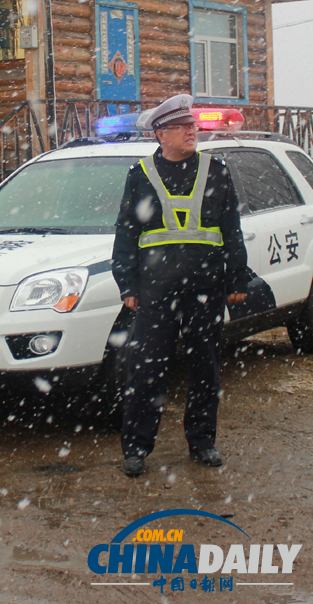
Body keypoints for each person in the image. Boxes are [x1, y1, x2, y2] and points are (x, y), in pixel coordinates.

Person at [112, 94, 250, 477]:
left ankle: (203, 442)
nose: (192, 131)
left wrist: (238, 277)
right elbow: (126, 232)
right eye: (182, 127)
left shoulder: (216, 169)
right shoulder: (140, 173)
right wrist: (128, 284)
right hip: (156, 290)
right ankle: (137, 448)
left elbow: (231, 228)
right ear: (161, 134)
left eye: (193, 126)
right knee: (146, 369)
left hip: (206, 285)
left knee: (205, 366)